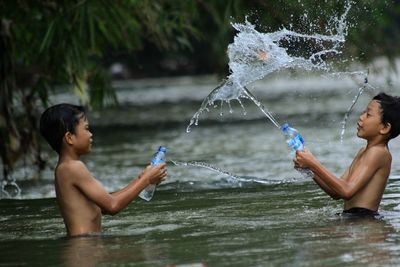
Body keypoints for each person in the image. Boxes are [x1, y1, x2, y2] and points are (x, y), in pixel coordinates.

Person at [39, 103, 167, 236]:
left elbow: (105, 205)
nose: (90, 134)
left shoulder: (65, 168)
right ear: (69, 138)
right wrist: (146, 180)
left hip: (83, 247)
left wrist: (142, 179)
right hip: (84, 249)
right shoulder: (73, 167)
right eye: (86, 128)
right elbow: (112, 206)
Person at [293, 92, 400, 217]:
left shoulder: (379, 153)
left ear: (385, 128)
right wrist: (310, 169)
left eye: (368, 114)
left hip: (364, 221)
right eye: (363, 112)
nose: (361, 117)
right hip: (354, 219)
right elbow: (336, 192)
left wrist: (313, 163)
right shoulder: (363, 152)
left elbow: (346, 191)